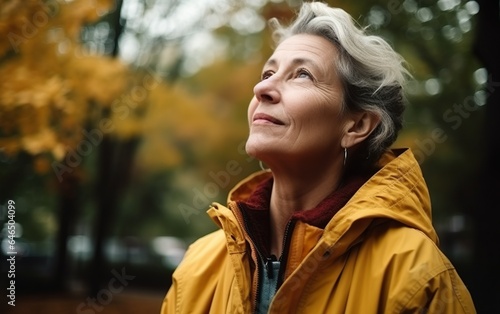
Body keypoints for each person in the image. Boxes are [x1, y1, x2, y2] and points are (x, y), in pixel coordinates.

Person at [160, 2, 476, 313]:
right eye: (268, 72)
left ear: (357, 125)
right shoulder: (196, 270)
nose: (263, 88)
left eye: (302, 75)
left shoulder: (417, 278)